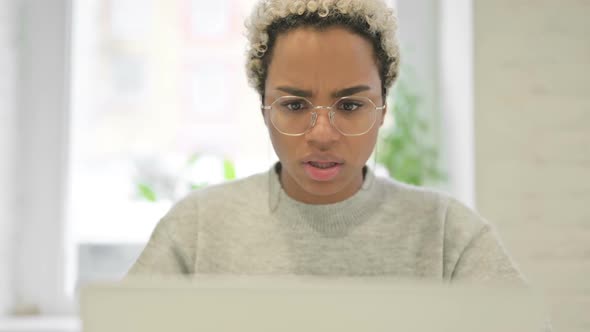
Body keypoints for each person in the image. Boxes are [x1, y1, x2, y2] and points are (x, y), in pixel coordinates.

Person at [127, 0, 524, 283]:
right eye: (295, 104)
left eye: (350, 105)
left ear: (383, 110)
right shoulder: (196, 229)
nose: (321, 134)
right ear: (264, 109)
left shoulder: (447, 235)